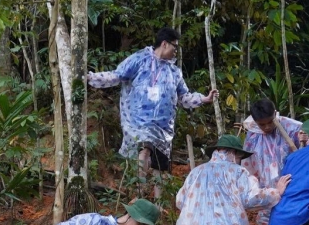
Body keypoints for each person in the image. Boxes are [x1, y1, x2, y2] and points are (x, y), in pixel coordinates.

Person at [87, 27, 218, 190]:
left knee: (160, 166)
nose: (176, 51)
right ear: (164, 44)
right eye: (174, 47)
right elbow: (117, 75)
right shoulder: (139, 59)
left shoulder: (174, 71)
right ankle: (140, 192)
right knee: (145, 149)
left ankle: (157, 206)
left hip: (164, 128)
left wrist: (204, 99)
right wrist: (91, 78)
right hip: (140, 122)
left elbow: (183, 97)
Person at [242, 98, 309, 225]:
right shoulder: (252, 135)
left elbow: (307, 148)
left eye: (269, 122)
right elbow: (248, 165)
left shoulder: (292, 127)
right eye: (262, 124)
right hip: (267, 190)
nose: (266, 127)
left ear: (275, 114)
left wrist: (306, 139)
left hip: (292, 185)